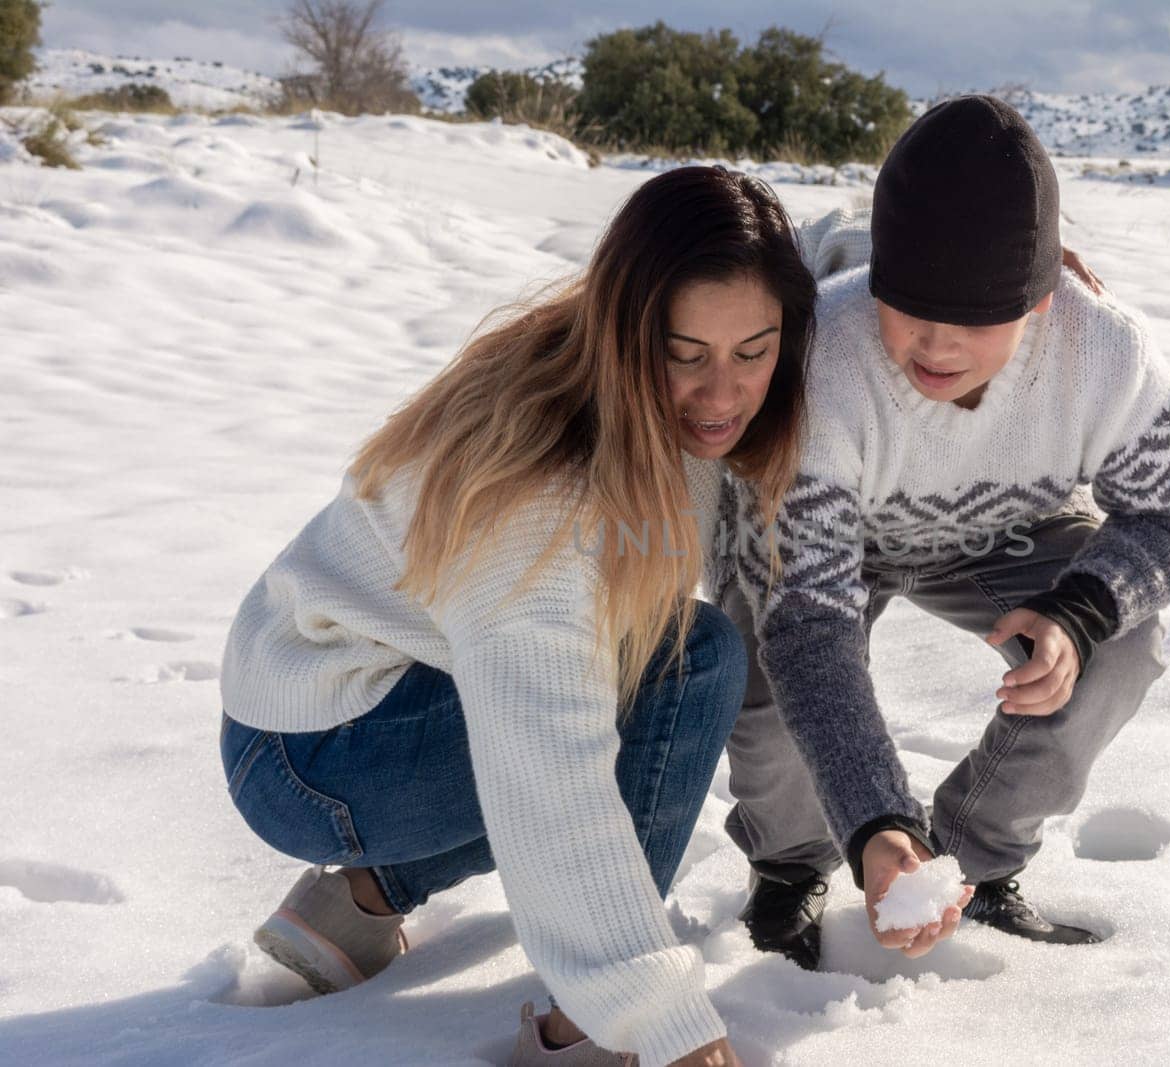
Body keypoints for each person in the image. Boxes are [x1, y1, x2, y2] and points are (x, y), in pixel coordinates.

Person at [218, 165, 816, 1067]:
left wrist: (978, 280)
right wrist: (658, 1018)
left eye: (753, 351)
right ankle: (586, 1025)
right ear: (626, 330)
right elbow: (549, 766)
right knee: (684, 666)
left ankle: (366, 898)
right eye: (683, 354)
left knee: (668, 653)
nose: (723, 393)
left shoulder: (632, 372)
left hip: (394, 700)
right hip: (311, 745)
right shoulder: (543, 492)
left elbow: (834, 268)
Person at [722, 95, 1170, 970]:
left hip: (1001, 527)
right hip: (836, 538)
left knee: (1118, 643)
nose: (937, 344)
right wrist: (876, 820)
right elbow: (809, 627)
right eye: (911, 305)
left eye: (978, 316)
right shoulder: (823, 365)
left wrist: (1077, 612)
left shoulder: (1105, 355)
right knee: (765, 671)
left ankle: (976, 860)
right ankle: (791, 863)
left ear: (1041, 302)